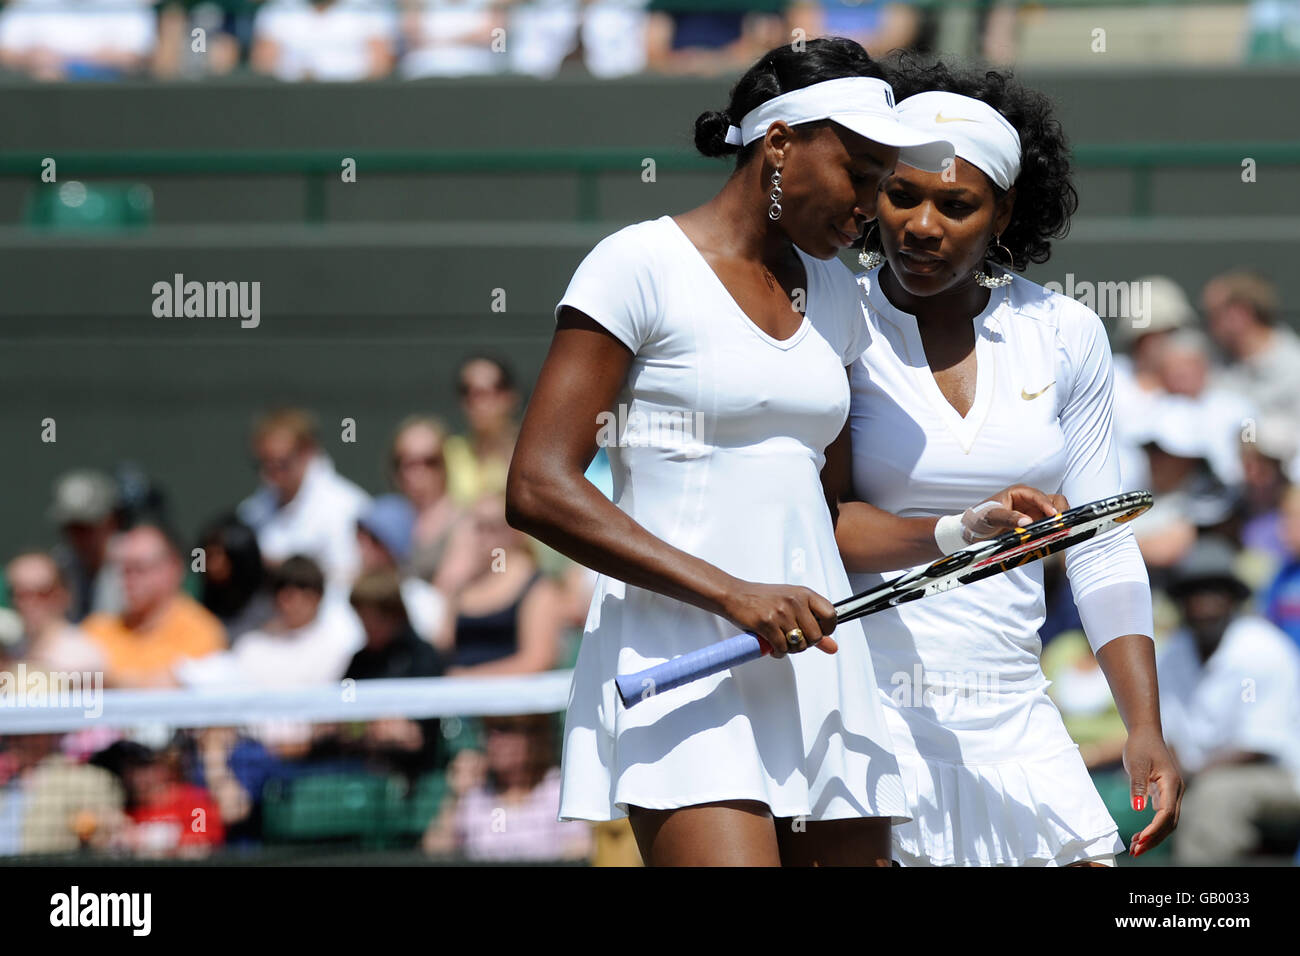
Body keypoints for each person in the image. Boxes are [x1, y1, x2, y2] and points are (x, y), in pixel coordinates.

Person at [506, 38, 1052, 866]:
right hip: (686, 660)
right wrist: (733, 595)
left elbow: (831, 520)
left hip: (823, 666)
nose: (874, 206)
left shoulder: (832, 289)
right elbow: (538, 488)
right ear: (780, 144)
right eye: (862, 174)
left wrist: (959, 528)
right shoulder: (637, 265)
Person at [843, 61, 1183, 865]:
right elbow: (827, 524)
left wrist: (1143, 725)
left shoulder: (1065, 332)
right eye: (901, 195)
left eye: (955, 205)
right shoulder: (831, 316)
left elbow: (1099, 540)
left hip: (1016, 712)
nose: (922, 225)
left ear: (1004, 214)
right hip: (864, 712)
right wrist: (959, 529)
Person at [1157, 537, 1300, 865]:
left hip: (1280, 776)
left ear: (1233, 598)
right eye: (1195, 591)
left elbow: (1257, 745)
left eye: (1215, 590)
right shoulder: (1173, 652)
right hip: (1196, 774)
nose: (1205, 602)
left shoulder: (1260, 649)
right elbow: (1170, 731)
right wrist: (1173, 774)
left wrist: (1191, 776)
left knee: (1216, 797)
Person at [422, 713, 592, 862]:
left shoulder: (557, 790)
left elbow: (580, 850)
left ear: (532, 738)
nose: (494, 740)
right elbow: (435, 851)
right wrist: (455, 796)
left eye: (505, 729)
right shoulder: (474, 793)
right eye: (490, 731)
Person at [237, 407, 371, 594]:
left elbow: (352, 580)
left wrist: (290, 571)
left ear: (309, 451)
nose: (269, 474)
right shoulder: (251, 510)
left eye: (281, 463)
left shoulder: (347, 506)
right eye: (262, 464)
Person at [82, 524, 226, 688]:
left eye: (139, 568)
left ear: (173, 568)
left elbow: (171, 687)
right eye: (124, 570)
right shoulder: (97, 629)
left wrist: (106, 680)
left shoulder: (202, 630)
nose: (129, 579)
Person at [435, 494, 566, 674]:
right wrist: (451, 582)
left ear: (516, 532)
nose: (483, 537)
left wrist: (471, 678)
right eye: (478, 527)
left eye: (493, 527)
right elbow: (443, 645)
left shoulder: (536, 586)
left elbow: (539, 659)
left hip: (512, 696)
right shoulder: (464, 583)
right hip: (460, 696)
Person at [387, 415, 462, 581]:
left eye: (430, 461)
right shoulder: (383, 518)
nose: (418, 471)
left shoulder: (464, 523)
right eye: (408, 461)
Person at [4, 552, 105, 675]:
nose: (29, 603)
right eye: (19, 594)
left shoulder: (83, 652)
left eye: (42, 593)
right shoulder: (11, 650)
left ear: (63, 595)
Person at [444, 356, 522, 507]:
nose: (477, 400)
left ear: (511, 396)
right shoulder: (446, 453)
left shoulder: (531, 454)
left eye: (491, 389)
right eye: (467, 390)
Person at [47, 469, 122, 623]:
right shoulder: (60, 564)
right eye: (72, 527)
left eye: (87, 527)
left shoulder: (133, 567)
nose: (79, 536)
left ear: (110, 521)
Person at [195, 515, 274, 645]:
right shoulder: (199, 610)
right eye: (206, 556)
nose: (210, 565)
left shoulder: (278, 605)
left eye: (217, 555)